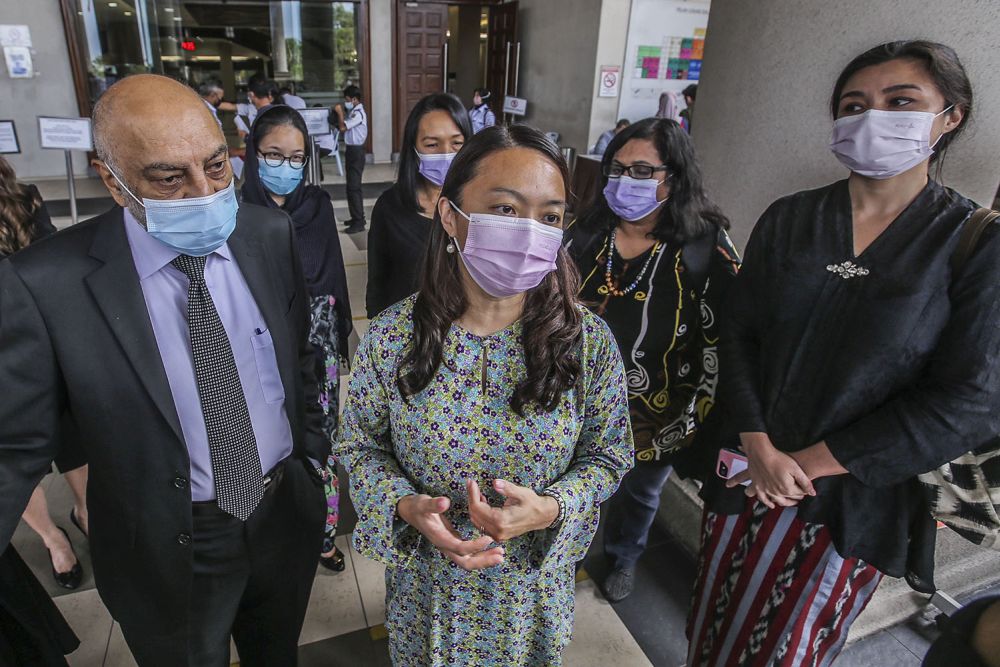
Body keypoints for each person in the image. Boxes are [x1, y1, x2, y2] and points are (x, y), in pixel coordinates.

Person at [682, 41, 1000, 666]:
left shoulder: (972, 243)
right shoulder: (791, 218)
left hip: (853, 499)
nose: (873, 117)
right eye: (855, 105)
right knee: (711, 625)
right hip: (747, 471)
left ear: (950, 116)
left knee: (787, 646)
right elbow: (739, 334)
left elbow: (971, 398)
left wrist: (807, 464)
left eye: (900, 101)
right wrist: (758, 444)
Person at [0, 74, 328, 666]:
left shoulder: (266, 233)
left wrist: (310, 463)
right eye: (170, 178)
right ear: (113, 179)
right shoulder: (46, 284)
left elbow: (300, 357)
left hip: (282, 516)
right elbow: (13, 446)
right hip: (165, 548)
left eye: (217, 166)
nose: (204, 192)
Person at [336, 124, 634, 666]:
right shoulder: (392, 338)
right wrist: (403, 503)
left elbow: (609, 455)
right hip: (428, 597)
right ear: (450, 217)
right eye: (505, 209)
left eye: (549, 217)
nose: (530, 232)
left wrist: (551, 507)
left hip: (529, 602)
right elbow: (358, 448)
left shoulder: (586, 342)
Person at [567, 118, 738, 602]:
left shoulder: (704, 244)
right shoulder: (587, 231)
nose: (626, 181)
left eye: (643, 171)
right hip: (574, 397)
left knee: (639, 492)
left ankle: (623, 556)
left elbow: (730, 334)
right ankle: (567, 550)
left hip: (659, 409)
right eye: (617, 169)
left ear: (675, 177)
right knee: (574, 481)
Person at [241, 104, 353, 572]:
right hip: (260, 346)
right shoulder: (238, 212)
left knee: (320, 441)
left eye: (295, 157)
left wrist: (337, 335)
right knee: (268, 443)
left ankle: (324, 534)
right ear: (253, 153)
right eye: (273, 155)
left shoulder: (317, 205)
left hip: (318, 346)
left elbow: (332, 275)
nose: (284, 166)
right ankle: (274, 531)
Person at [0, 156, 91, 590]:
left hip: (38, 335)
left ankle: (85, 512)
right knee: (9, 454)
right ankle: (53, 539)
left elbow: (53, 262)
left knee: (72, 430)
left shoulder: (23, 198)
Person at [366, 93, 471, 318]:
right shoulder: (389, 207)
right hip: (405, 329)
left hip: (465, 333)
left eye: (457, 143)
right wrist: (378, 328)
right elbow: (378, 281)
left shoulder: (482, 207)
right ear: (413, 148)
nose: (446, 153)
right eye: (432, 144)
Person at [334, 84, 368, 233]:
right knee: (351, 187)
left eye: (347, 100)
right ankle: (356, 217)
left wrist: (340, 112)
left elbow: (343, 127)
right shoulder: (354, 111)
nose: (345, 102)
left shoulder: (358, 114)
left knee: (354, 187)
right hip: (352, 151)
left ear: (354, 99)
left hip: (356, 152)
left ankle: (359, 222)